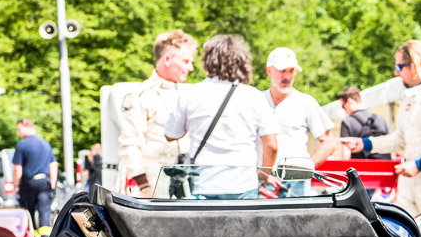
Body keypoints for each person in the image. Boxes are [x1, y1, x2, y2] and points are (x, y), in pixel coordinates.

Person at [342, 40, 421, 215]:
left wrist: (419, 165)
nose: (395, 72)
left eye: (399, 67)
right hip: (408, 186)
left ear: (414, 65)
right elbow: (399, 139)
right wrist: (365, 144)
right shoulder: (408, 97)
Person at [164, 34, 278, 199]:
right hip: (243, 184)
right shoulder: (255, 97)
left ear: (208, 60)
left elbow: (170, 134)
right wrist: (264, 174)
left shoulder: (190, 94)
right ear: (242, 61)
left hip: (203, 184)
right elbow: (272, 146)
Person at [118, 29, 197, 196]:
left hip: (187, 185)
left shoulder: (188, 94)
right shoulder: (141, 97)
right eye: (185, 61)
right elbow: (129, 145)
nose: (190, 68)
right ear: (167, 59)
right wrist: (145, 187)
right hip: (153, 187)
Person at [262, 47, 335, 196]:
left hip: (296, 183)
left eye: (291, 71)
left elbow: (329, 142)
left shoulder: (305, 102)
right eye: (282, 71)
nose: (287, 76)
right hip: (263, 180)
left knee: (296, 220)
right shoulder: (257, 101)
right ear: (269, 71)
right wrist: (260, 174)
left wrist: (305, 168)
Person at [11, 119, 57, 237]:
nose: (18, 132)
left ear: (28, 127)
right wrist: (52, 183)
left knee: (28, 212)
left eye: (19, 129)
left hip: (29, 183)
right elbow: (53, 164)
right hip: (44, 183)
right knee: (45, 212)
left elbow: (17, 168)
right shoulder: (45, 143)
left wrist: (17, 184)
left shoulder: (22, 144)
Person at [337, 86, 389, 159]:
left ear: (349, 101)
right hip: (385, 167)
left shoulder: (347, 122)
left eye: (343, 106)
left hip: (361, 168)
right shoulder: (381, 119)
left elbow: (345, 157)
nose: (344, 110)